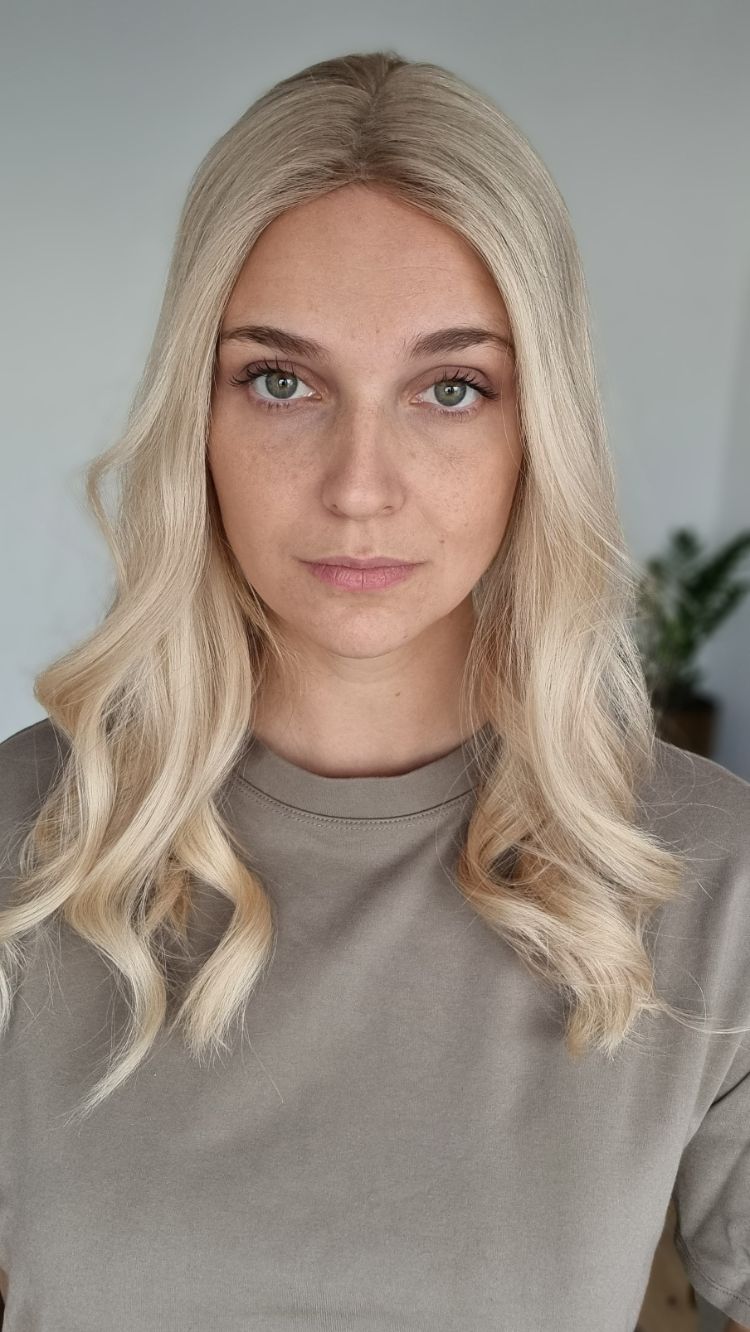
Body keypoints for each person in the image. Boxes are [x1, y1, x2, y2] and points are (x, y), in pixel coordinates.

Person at [0, 49, 748, 1332]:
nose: (359, 485)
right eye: (280, 381)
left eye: (450, 388)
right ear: (198, 417)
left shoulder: (712, 883)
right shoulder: (28, 846)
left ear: (537, 430)